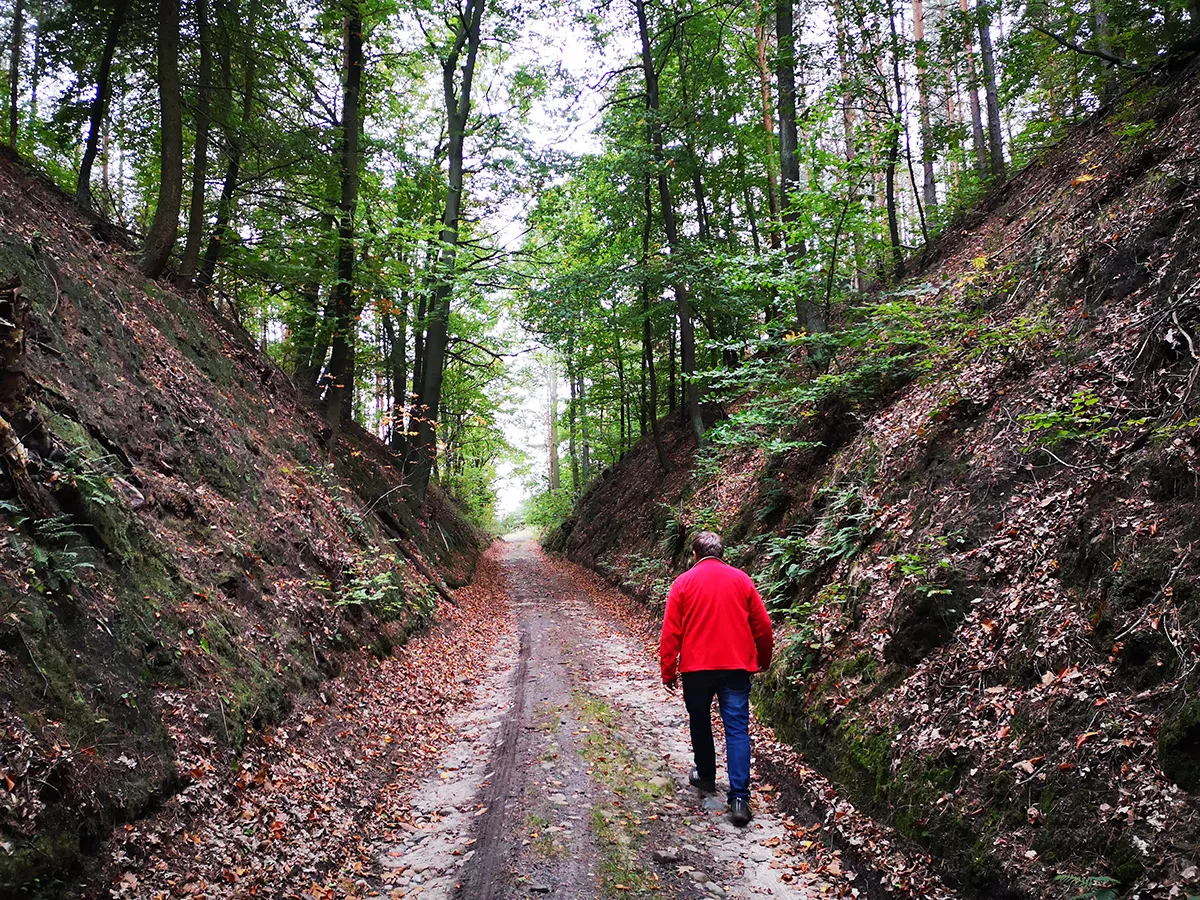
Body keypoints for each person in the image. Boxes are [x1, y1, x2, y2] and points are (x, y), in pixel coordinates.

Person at [659, 530, 774, 826]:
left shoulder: (683, 583)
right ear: (722, 553)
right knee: (736, 728)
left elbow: (671, 632)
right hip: (736, 667)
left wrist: (668, 670)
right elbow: (763, 626)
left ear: (695, 555)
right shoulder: (741, 580)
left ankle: (706, 776)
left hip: (696, 670)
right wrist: (763, 659)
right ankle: (739, 797)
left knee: (699, 721)